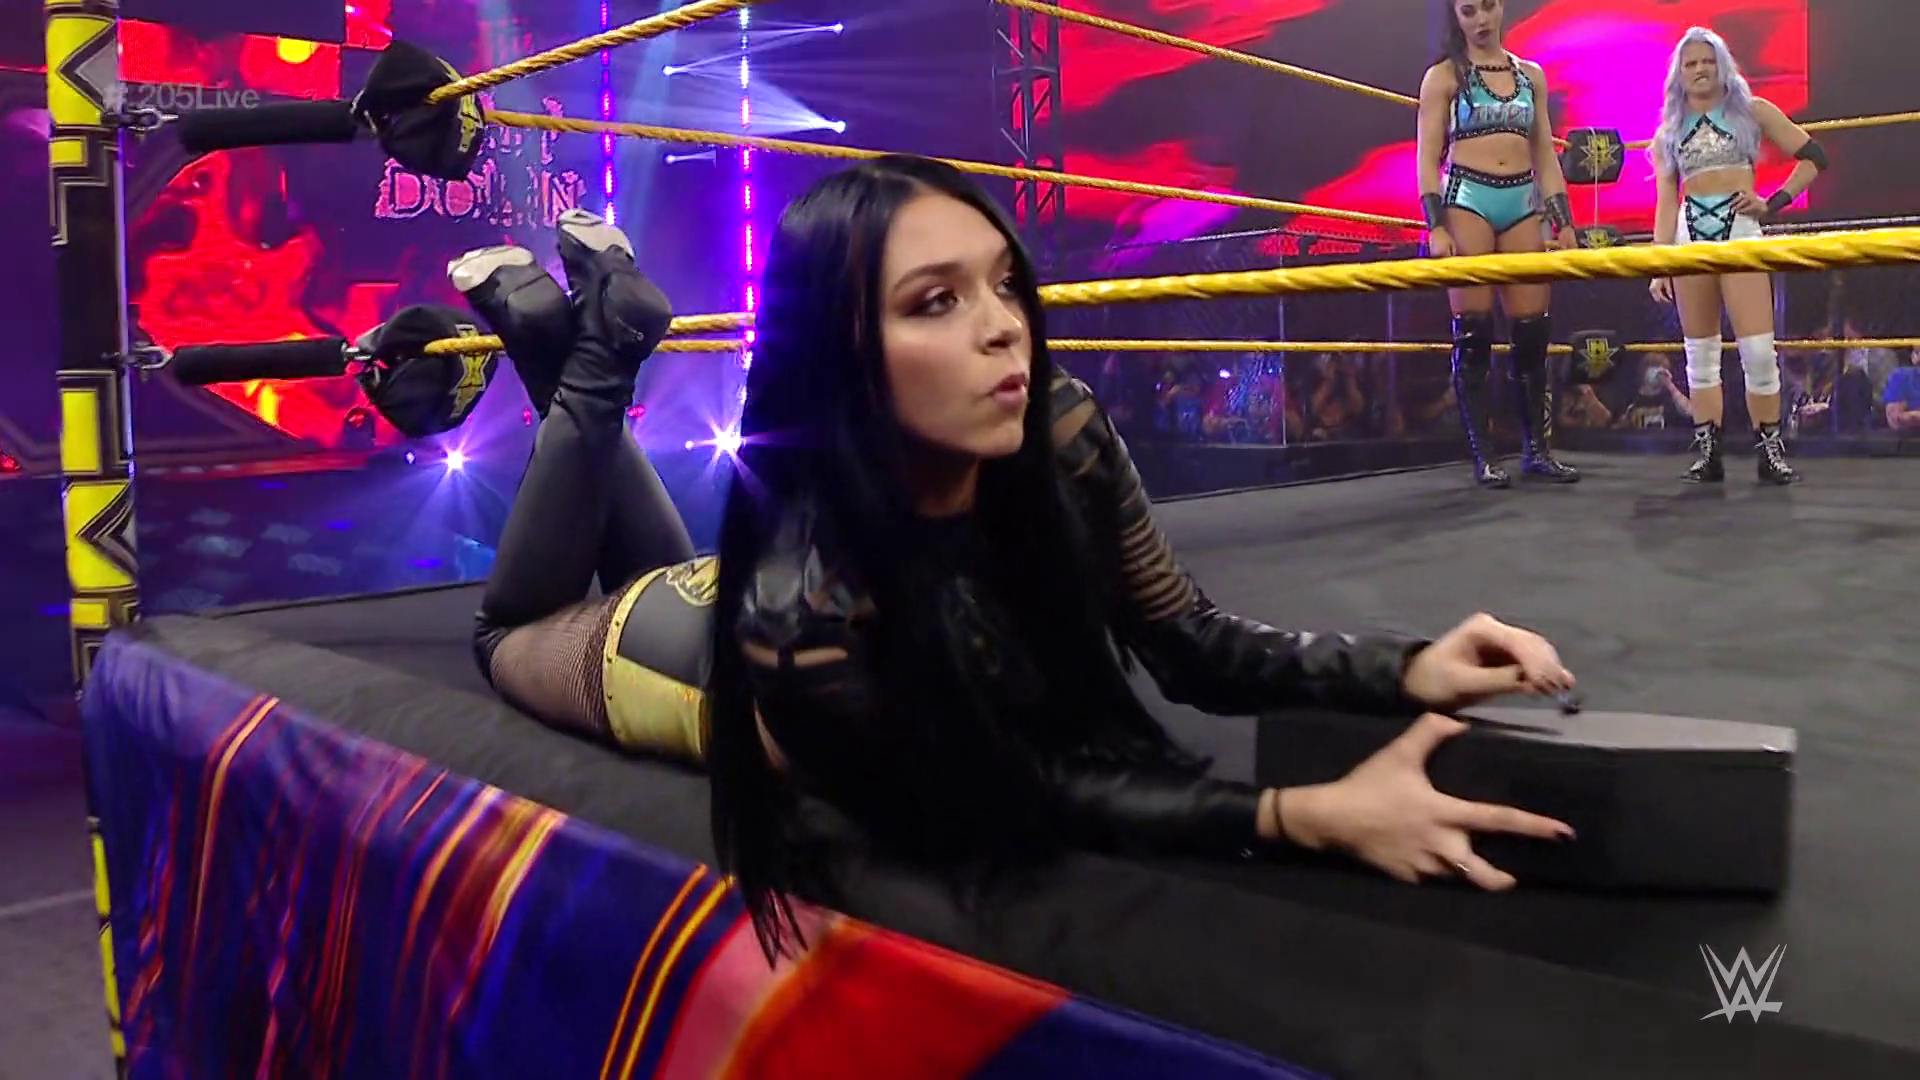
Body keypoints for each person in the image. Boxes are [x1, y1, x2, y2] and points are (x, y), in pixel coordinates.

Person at [459, 161, 1580, 962]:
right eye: (935, 302)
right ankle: (587, 353)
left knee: (644, 568)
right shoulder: (799, 609)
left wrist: (1407, 666)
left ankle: (561, 333)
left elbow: (1187, 641)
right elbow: (1000, 792)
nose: (1005, 327)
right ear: (845, 351)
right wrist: (1301, 815)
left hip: (736, 607)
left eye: (1003, 283)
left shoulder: (1060, 428)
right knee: (503, 632)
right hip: (656, 653)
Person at [1647, 26, 1825, 484]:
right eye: (1691, 63)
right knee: (1699, 354)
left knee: (1760, 352)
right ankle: (1709, 454)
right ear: (1679, 73)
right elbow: (1666, 201)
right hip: (1690, 237)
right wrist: (1659, 264)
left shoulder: (1751, 111)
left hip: (1742, 232)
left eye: (1708, 60)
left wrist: (1772, 203)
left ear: (1722, 65)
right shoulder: (1669, 131)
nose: (1700, 69)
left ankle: (1770, 453)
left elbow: (1813, 157)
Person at [1417, 0, 1580, 489]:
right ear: (1456, 17)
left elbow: (1545, 154)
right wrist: (1436, 227)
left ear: (1501, 6)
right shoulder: (1443, 77)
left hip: (1522, 200)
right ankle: (1484, 456)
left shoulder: (1531, 75)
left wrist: (1563, 222)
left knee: (1532, 330)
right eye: (1469, 11)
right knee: (1474, 332)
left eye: (1487, 7)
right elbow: (1427, 158)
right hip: (1468, 197)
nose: (1481, 20)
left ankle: (1537, 451)